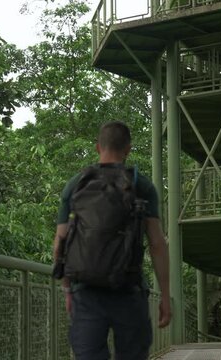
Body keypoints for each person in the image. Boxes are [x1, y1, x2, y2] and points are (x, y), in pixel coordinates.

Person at [52, 121, 171, 360]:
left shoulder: (76, 185)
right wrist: (165, 297)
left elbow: (60, 242)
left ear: (98, 147)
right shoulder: (142, 185)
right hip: (129, 289)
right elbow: (157, 244)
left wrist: (67, 290)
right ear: (128, 149)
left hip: (85, 293)